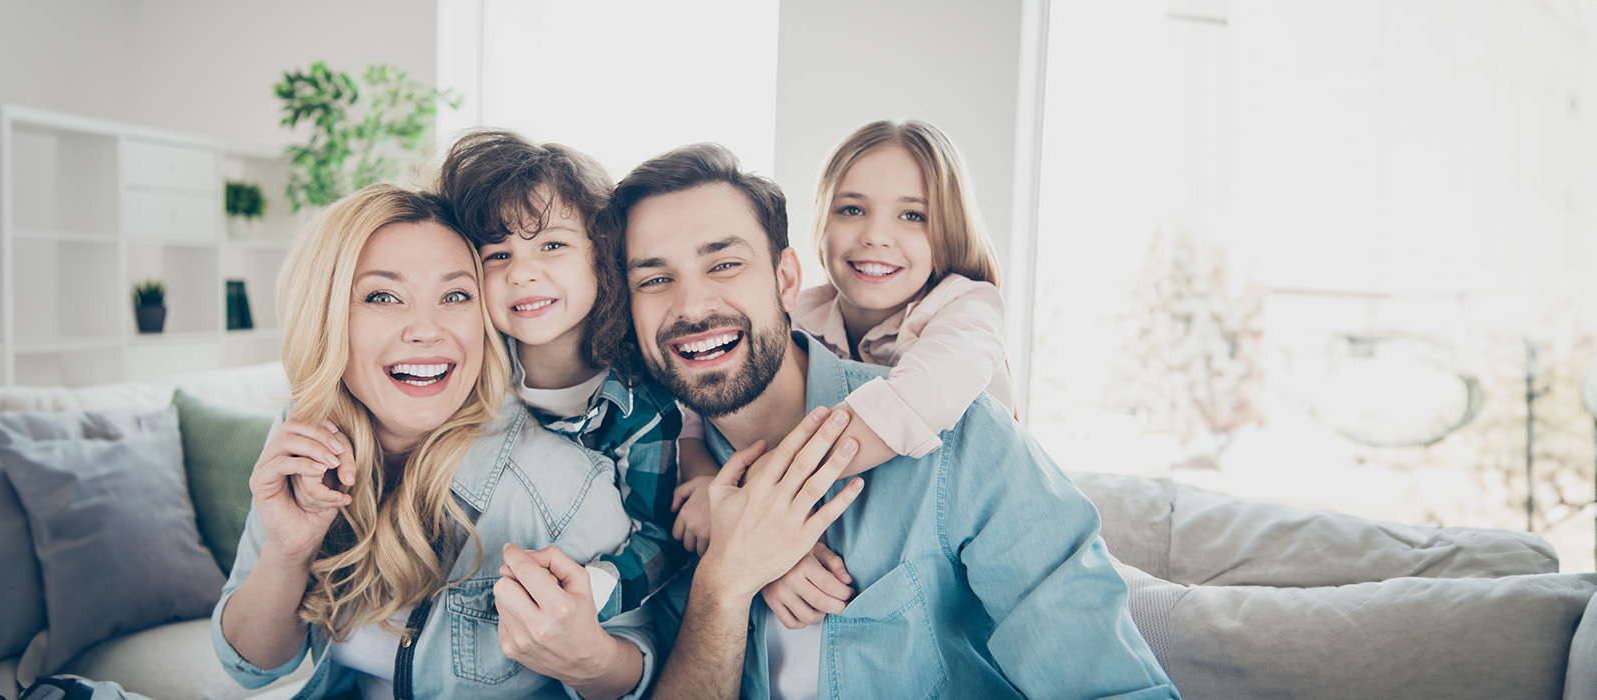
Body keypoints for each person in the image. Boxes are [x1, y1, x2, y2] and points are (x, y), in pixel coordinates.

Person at [604, 144, 1178, 699]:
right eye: (654, 279)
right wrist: (725, 581)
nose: (692, 306)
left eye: (724, 264)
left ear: (784, 281)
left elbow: (1109, 682)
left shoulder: (962, 437)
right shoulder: (644, 480)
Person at [210, 184, 656, 700]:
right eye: (383, 296)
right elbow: (250, 667)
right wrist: (288, 553)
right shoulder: (304, 438)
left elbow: (644, 670)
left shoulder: (562, 482)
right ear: (327, 315)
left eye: (455, 296)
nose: (426, 329)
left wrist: (589, 661)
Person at [667, 120, 1017, 631]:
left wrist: (753, 507)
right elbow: (695, 403)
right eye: (851, 209)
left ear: (950, 230)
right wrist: (705, 486)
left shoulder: (968, 309)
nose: (876, 235)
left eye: (913, 215)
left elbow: (919, 400)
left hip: (975, 551)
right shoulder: (802, 315)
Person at [432, 129, 688, 623]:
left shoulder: (641, 409)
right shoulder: (461, 373)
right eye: (497, 255)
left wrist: (590, 590)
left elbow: (659, 538)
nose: (522, 272)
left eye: (551, 245)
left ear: (601, 255)